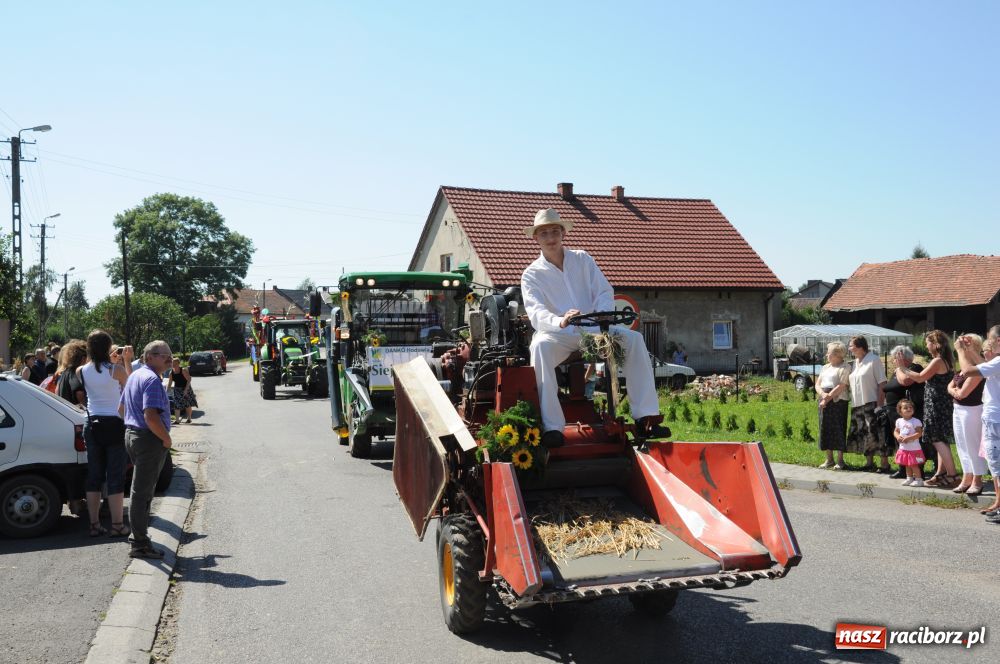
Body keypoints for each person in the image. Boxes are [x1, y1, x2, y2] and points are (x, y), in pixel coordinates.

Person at [520, 208, 666, 446]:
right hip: (559, 335)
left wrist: (600, 315)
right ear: (535, 238)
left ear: (564, 233)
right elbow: (536, 313)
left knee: (634, 340)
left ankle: (645, 417)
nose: (551, 238)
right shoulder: (531, 274)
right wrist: (560, 320)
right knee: (540, 348)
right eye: (544, 233)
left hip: (595, 331)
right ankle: (552, 428)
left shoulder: (583, 259)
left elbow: (603, 291)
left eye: (555, 231)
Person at [119, 340, 174, 559]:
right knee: (141, 494)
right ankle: (139, 543)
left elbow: (121, 409)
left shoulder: (134, 376)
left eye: (170, 355)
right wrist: (166, 439)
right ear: (149, 357)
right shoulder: (151, 380)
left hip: (133, 436)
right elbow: (151, 417)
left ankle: (140, 539)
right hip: (148, 439)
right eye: (164, 355)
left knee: (142, 491)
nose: (169, 359)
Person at [80, 331, 133, 538]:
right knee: (115, 475)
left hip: (91, 423)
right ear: (108, 347)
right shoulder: (117, 370)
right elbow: (130, 388)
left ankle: (94, 525)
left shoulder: (80, 371)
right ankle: (117, 524)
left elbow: (96, 376)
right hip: (114, 423)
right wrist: (126, 361)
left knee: (94, 474)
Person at [897, 330, 959, 488]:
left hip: (936, 405)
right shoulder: (946, 360)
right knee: (941, 440)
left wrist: (903, 368)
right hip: (942, 404)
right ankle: (941, 473)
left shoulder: (937, 361)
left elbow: (919, 378)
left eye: (928, 343)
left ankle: (952, 475)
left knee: (937, 440)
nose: (926, 345)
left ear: (935, 344)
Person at [955, 325, 1000, 522]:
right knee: (996, 465)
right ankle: (998, 503)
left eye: (990, 339)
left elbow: (968, 371)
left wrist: (959, 350)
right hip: (993, 418)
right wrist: (971, 351)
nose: (987, 342)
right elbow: (986, 369)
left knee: (997, 466)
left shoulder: (999, 360)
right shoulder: (996, 363)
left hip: (995, 420)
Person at [947, 333, 986, 495]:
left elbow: (963, 393)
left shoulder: (977, 368)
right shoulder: (964, 368)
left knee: (973, 445)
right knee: (962, 445)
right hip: (958, 409)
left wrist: (956, 391)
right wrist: (954, 391)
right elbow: (950, 386)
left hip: (972, 410)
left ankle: (978, 479)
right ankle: (966, 476)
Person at [846, 336, 890, 472]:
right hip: (857, 404)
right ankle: (869, 462)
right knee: (863, 433)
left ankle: (884, 464)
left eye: (851, 346)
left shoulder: (874, 360)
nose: (849, 348)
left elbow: (882, 383)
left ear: (860, 347)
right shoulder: (854, 363)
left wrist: (879, 405)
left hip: (872, 402)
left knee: (877, 433)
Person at [883, 346, 928, 478]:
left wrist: (900, 367)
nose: (893, 361)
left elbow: (905, 381)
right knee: (900, 442)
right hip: (895, 413)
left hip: (909, 414)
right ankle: (903, 469)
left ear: (903, 358)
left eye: (895, 358)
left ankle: (918, 471)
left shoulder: (914, 368)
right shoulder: (898, 370)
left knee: (913, 443)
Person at [816, 342, 851, 469]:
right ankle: (829, 459)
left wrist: (827, 398)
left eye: (829, 352)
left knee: (838, 428)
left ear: (837, 355)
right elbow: (817, 384)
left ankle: (840, 460)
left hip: (838, 401)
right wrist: (822, 395)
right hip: (823, 400)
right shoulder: (825, 367)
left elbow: (842, 385)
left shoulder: (845, 367)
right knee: (825, 427)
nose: (826, 354)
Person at [893, 399, 925, 487]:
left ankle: (919, 480)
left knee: (914, 465)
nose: (908, 409)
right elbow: (896, 431)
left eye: (910, 407)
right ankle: (909, 478)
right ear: (900, 411)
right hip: (904, 448)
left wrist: (909, 438)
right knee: (907, 464)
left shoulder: (916, 421)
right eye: (905, 408)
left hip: (914, 448)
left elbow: (919, 433)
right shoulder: (899, 421)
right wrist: (897, 436)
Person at [56, 339, 88, 406]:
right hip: (76, 414)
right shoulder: (74, 372)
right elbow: (79, 393)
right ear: (83, 358)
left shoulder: (65, 372)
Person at [166, 357, 197, 424]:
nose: (173, 365)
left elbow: (189, 379)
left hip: (186, 388)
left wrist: (186, 390)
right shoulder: (171, 373)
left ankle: (189, 418)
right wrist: (166, 391)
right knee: (176, 404)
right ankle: (177, 420)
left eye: (175, 364)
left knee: (187, 404)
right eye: (172, 364)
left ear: (178, 364)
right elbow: (170, 383)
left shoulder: (183, 370)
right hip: (177, 389)